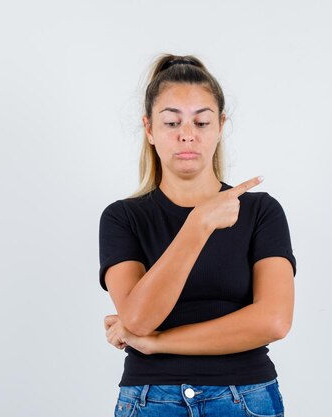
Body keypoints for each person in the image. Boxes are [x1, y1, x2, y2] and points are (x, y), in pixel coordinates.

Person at [98, 54, 297, 417]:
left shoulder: (260, 211)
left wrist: (158, 343)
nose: (187, 133)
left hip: (245, 398)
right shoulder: (122, 218)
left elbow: (273, 321)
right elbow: (140, 319)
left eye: (201, 121)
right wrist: (198, 224)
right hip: (150, 400)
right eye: (172, 121)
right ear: (149, 129)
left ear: (220, 126)